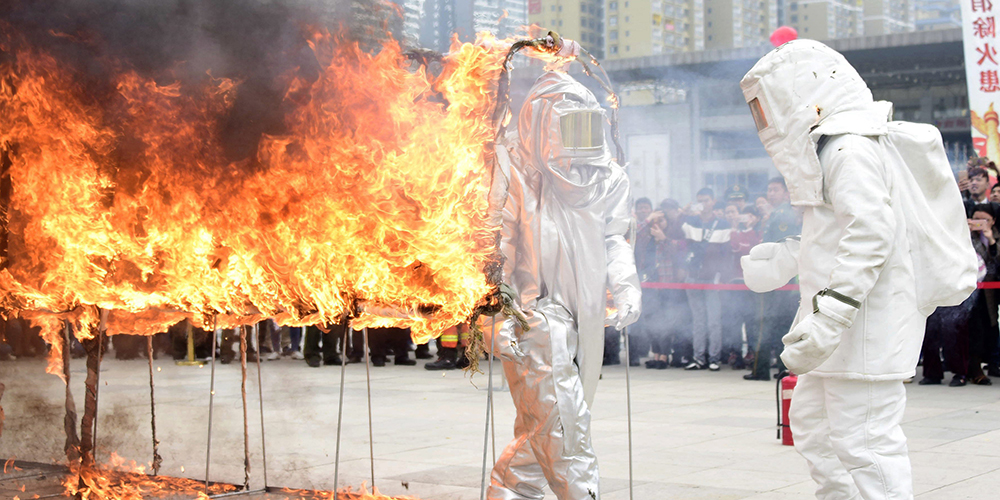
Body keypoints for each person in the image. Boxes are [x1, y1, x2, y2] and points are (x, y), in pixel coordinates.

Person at [740, 39, 976, 500]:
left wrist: (831, 318)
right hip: (838, 324)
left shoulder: (849, 146)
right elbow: (837, 231)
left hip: (864, 325)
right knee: (813, 428)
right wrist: (788, 258)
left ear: (802, 91)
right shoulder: (832, 147)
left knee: (865, 442)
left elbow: (871, 232)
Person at [487, 67, 641, 500]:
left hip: (586, 318)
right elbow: (496, 248)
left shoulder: (607, 176)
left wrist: (626, 286)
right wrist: (494, 316)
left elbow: (614, 237)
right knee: (564, 426)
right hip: (535, 317)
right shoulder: (514, 170)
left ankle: (508, 492)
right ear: (541, 122)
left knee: (540, 433)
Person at [745, 177, 800, 381]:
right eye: (769, 190)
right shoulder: (777, 213)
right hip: (779, 278)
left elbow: (781, 246)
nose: (771, 194)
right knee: (777, 324)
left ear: (786, 193)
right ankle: (781, 368)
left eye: (775, 190)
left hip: (777, 278)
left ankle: (761, 370)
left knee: (766, 322)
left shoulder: (782, 214)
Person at [680, 188, 732, 371]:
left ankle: (714, 358)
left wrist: (722, 277)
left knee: (714, 320)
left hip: (712, 279)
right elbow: (680, 243)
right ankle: (698, 357)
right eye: (700, 200)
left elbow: (726, 254)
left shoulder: (723, 224)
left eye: (706, 200)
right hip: (693, 276)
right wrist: (682, 214)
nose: (703, 204)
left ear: (713, 201)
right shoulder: (690, 222)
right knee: (698, 320)